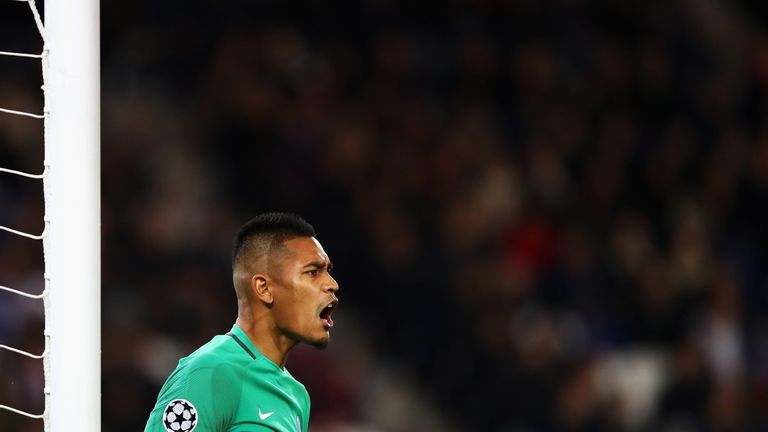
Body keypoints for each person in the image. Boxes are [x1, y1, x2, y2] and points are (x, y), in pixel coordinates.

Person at [144, 212, 340, 432]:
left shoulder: (297, 396)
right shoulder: (210, 372)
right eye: (313, 272)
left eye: (328, 272)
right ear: (264, 289)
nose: (332, 284)